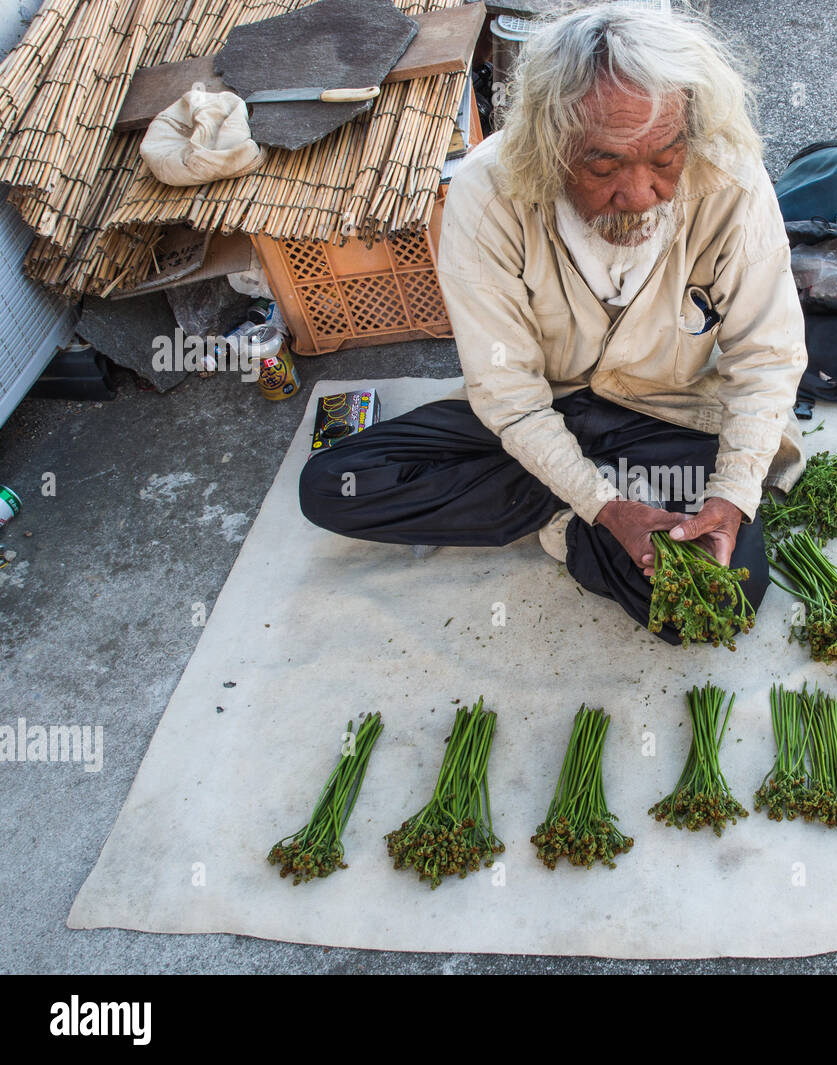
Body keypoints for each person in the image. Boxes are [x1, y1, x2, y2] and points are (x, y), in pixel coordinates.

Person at [299, 3, 807, 643]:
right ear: (551, 143)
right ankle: (578, 516)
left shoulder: (731, 179)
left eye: (665, 160)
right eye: (604, 167)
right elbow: (508, 398)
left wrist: (731, 496)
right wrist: (602, 503)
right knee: (334, 487)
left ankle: (570, 513)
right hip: (549, 407)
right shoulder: (491, 193)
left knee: (719, 598)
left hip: (670, 418)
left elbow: (766, 356)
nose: (641, 192)